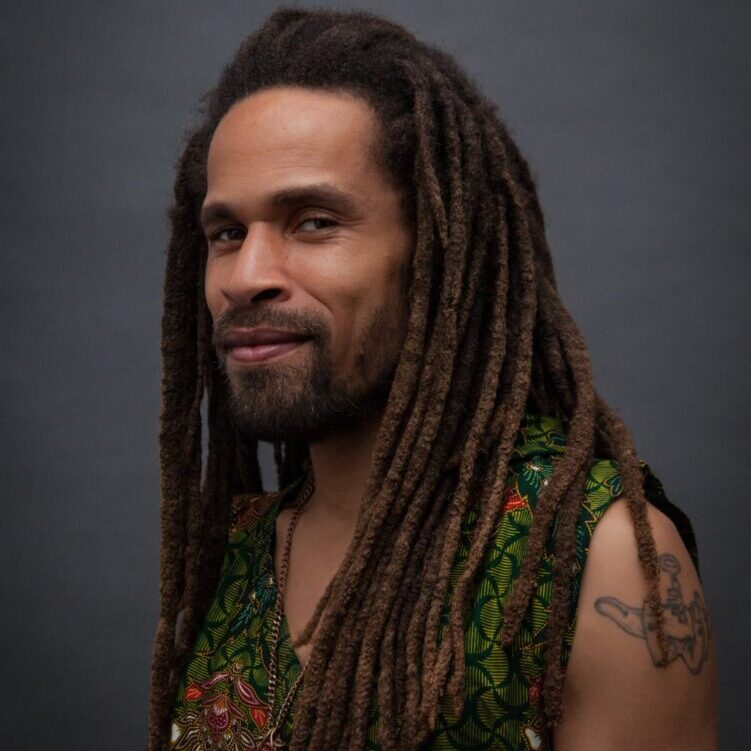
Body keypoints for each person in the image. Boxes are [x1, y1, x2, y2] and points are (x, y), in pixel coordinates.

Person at [148, 7, 717, 750]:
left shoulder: (595, 554)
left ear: (437, 257)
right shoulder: (234, 550)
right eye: (226, 233)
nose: (245, 276)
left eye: (313, 221)